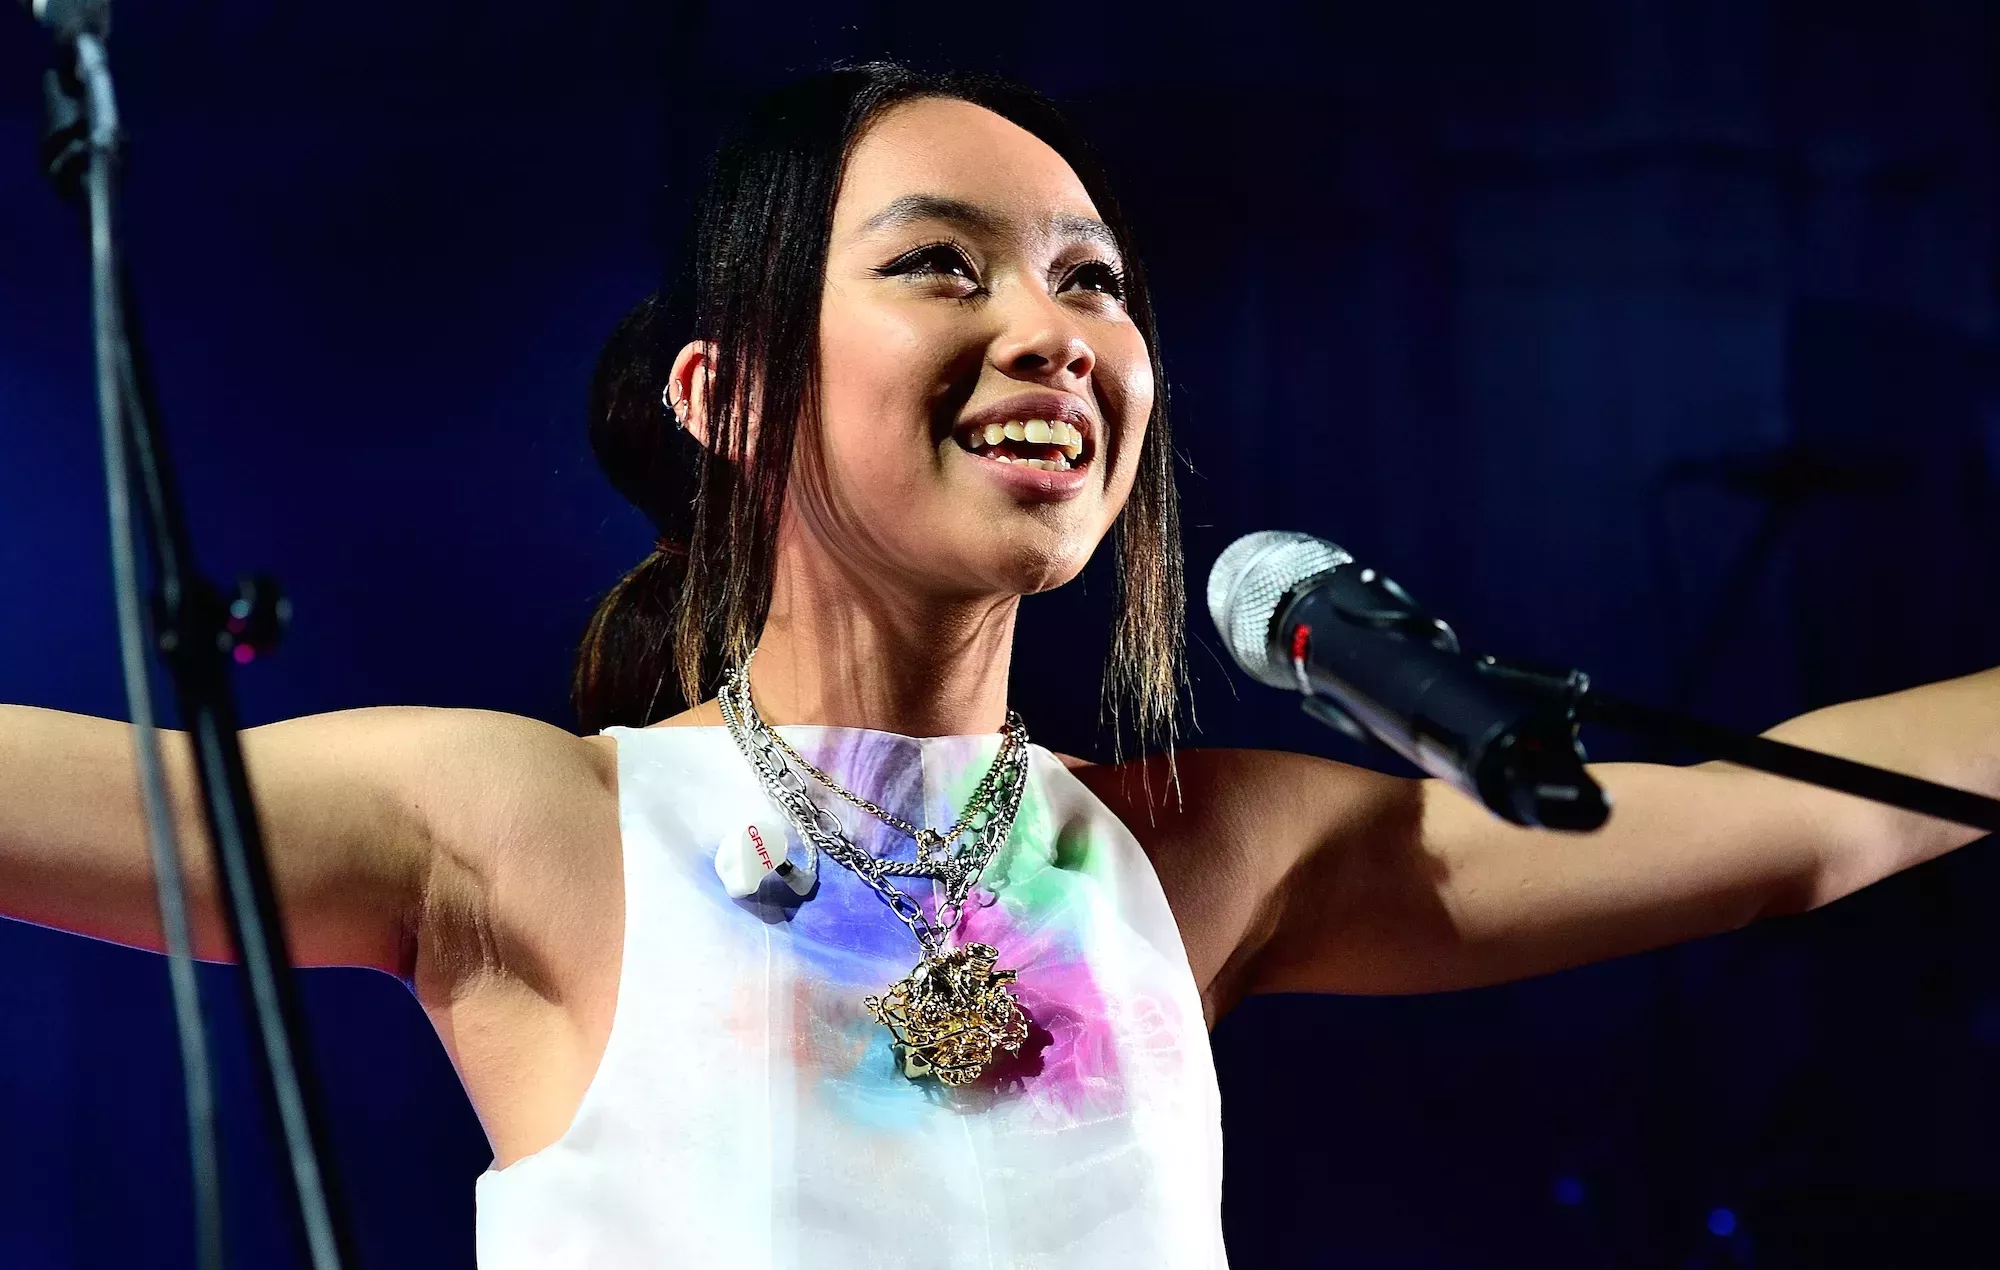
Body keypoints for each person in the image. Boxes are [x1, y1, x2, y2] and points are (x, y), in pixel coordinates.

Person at [1, 61, 1993, 1268]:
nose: (1052, 328)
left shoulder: (1186, 854)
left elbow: (1788, 820)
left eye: (1091, 278)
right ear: (728, 392)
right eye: (941, 262)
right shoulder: (539, 826)